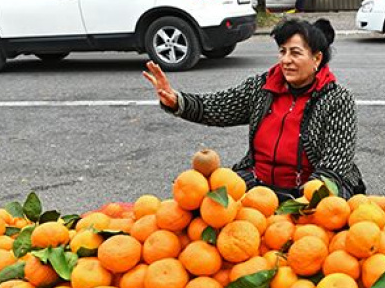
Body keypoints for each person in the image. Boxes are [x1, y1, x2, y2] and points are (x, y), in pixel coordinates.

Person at [143, 19, 365, 200]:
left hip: (311, 188)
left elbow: (334, 165)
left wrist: (302, 201)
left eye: (295, 53)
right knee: (207, 203)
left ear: (317, 58)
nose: (285, 60)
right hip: (259, 181)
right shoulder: (262, 87)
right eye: (282, 51)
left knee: (319, 229)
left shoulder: (337, 99)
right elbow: (216, 107)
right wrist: (176, 101)